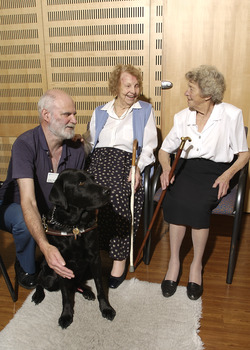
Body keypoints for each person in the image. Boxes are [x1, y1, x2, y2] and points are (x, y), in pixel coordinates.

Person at [159, 65, 249, 300]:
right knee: (175, 199)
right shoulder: (182, 117)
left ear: (207, 95)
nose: (186, 93)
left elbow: (244, 154)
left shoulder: (230, 114)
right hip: (186, 168)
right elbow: (163, 150)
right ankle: (174, 262)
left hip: (215, 171)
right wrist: (167, 169)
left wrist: (227, 175)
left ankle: (196, 266)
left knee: (198, 205)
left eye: (191, 89)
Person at [0, 89, 85, 289]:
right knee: (24, 220)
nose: (73, 120)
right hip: (12, 206)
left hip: (49, 210)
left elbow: (75, 197)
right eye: (67, 114)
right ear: (46, 115)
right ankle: (26, 266)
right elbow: (28, 201)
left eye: (74, 114)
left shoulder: (76, 149)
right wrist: (45, 246)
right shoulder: (25, 144)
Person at [85, 64, 158, 288]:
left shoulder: (144, 110)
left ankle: (119, 258)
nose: (133, 91)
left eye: (136, 86)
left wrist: (137, 166)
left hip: (126, 162)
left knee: (116, 194)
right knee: (83, 196)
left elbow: (149, 147)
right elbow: (89, 144)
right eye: (127, 85)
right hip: (98, 162)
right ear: (116, 86)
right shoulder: (100, 112)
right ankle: (88, 252)